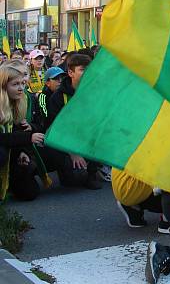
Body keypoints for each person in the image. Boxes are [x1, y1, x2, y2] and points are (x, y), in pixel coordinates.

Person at [45, 53, 103, 190]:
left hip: (86, 137)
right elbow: (53, 129)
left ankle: (92, 173)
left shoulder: (95, 93)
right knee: (72, 181)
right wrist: (73, 152)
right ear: (70, 72)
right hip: (64, 142)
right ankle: (67, 168)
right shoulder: (58, 97)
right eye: (83, 69)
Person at [0, 65, 47, 201]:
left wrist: (22, 151)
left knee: (30, 192)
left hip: (11, 150)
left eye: (23, 83)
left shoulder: (17, 102)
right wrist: (28, 137)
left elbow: (14, 131)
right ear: (3, 85)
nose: (21, 88)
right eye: (15, 84)